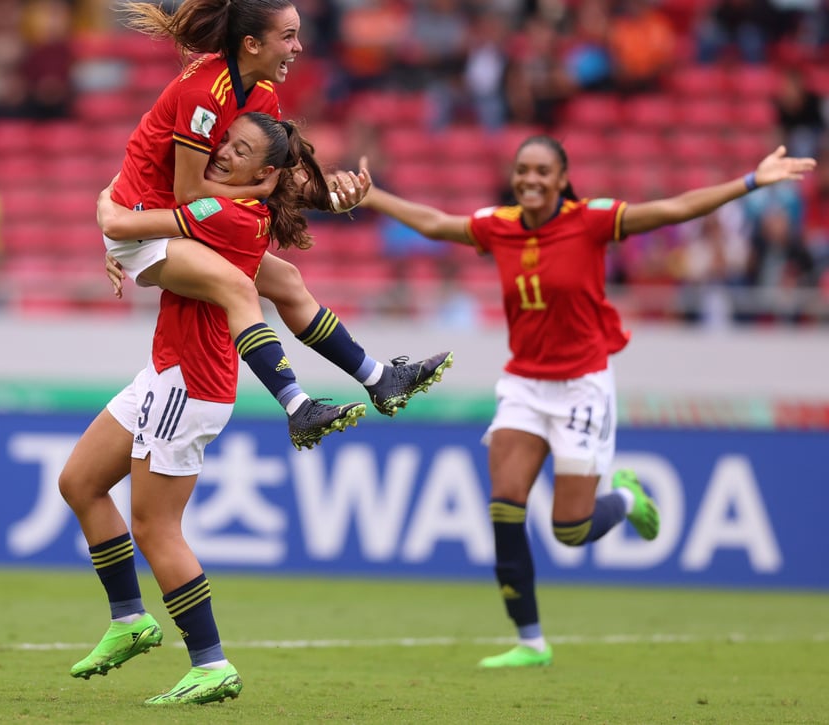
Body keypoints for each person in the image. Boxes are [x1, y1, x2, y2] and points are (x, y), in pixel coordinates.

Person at [359, 138, 816, 668]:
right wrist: (375, 198)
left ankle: (625, 501)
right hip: (524, 386)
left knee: (570, 530)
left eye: (542, 171)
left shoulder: (591, 219)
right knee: (504, 506)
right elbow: (437, 223)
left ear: (561, 178)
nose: (530, 179)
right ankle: (530, 641)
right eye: (523, 170)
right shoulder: (498, 224)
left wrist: (751, 182)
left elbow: (672, 209)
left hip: (582, 386)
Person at [62, 112, 325, 705]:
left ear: (265, 173)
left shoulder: (224, 215)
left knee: (156, 526)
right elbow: (131, 212)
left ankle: (210, 664)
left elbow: (117, 210)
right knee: (79, 482)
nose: (223, 153)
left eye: (241, 150)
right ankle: (130, 618)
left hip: (190, 380)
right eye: (226, 142)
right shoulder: (221, 202)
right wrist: (122, 239)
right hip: (165, 370)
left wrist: (117, 239)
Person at [107, 0, 453, 450]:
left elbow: (267, 176)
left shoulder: (262, 92)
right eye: (288, 36)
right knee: (238, 288)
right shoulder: (204, 93)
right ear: (251, 44)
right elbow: (192, 191)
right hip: (148, 222)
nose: (299, 46)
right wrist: (261, 193)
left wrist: (328, 194)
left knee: (287, 281)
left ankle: (379, 378)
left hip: (180, 218)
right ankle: (296, 406)